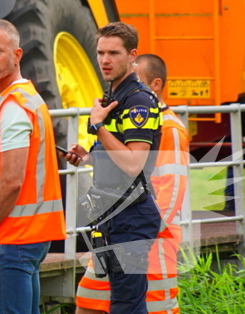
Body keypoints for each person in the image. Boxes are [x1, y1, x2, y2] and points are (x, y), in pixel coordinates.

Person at [0, 19, 66, 314]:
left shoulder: (13, 108)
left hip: (10, 239)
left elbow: (11, 181)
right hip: (27, 236)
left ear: (17, 55)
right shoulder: (26, 99)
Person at [75, 53, 189, 314]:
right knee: (89, 301)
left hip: (149, 237)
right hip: (117, 229)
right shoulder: (130, 118)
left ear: (155, 85)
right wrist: (90, 158)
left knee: (155, 305)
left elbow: (172, 189)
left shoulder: (169, 127)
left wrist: (146, 235)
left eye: (138, 81)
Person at [63, 22, 163, 314]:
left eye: (114, 53)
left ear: (132, 55)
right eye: (101, 53)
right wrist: (88, 157)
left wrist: (98, 127)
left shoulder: (138, 101)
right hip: (114, 214)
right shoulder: (116, 96)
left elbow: (133, 163)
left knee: (126, 306)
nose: (105, 60)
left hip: (131, 215)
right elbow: (118, 156)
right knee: (118, 303)